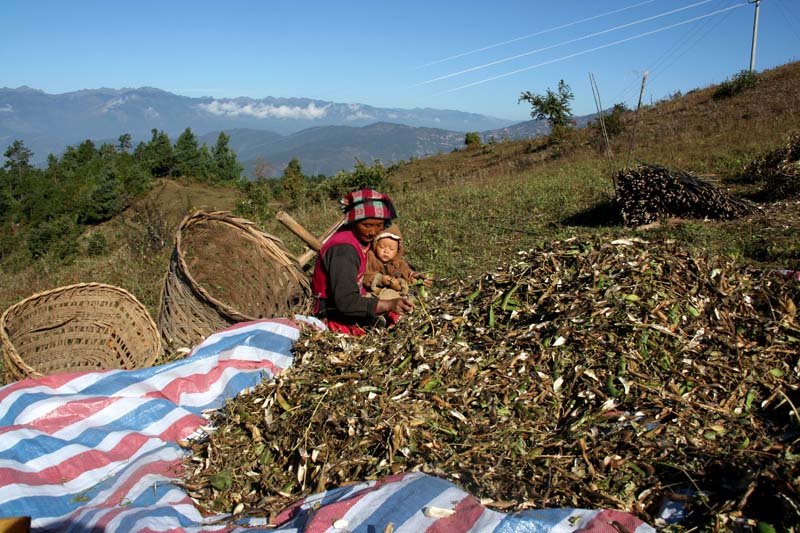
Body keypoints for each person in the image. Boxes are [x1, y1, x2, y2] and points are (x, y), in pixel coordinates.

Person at [311, 188, 415, 335]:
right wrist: (388, 305)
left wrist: (411, 273)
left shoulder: (362, 239)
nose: (373, 232)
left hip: (355, 299)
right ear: (353, 221)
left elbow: (388, 263)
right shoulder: (344, 250)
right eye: (367, 225)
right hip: (332, 310)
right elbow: (345, 301)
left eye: (379, 225)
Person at [363, 224, 433, 300]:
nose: (386, 251)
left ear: (397, 250)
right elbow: (364, 277)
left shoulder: (399, 263)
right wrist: (380, 279)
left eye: (391, 248)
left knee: (410, 300)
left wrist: (417, 279)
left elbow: (407, 274)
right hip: (374, 295)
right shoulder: (370, 259)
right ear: (375, 245)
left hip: (395, 296)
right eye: (382, 247)